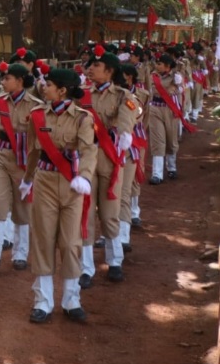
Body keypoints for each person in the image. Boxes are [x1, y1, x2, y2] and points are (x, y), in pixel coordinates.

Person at [19, 68, 96, 323]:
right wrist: (27, 179)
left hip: (72, 184)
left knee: (70, 242)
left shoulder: (83, 118)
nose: (44, 86)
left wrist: (85, 177)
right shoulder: (37, 115)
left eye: (49, 84)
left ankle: (72, 300)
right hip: (45, 182)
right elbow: (33, 151)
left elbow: (89, 150)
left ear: (62, 90)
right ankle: (43, 301)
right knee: (43, 239)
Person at [78, 46, 136, 286]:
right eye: (90, 65)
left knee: (110, 213)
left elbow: (128, 117)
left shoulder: (123, 95)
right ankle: (86, 268)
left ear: (110, 71)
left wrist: (125, 133)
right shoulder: (81, 94)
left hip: (110, 158)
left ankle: (114, 261)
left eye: (96, 65)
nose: (90, 69)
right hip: (86, 158)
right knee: (85, 213)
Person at [0, 63, 44, 270]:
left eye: (7, 78)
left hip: (25, 160)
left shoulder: (36, 105)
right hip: (2, 156)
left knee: (23, 208)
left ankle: (20, 253)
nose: (3, 82)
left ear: (19, 81)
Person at [119, 64, 150, 240]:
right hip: (116, 141)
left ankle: (134, 211)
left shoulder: (141, 95)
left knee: (135, 177)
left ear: (129, 77)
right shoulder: (114, 96)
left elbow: (144, 116)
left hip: (135, 138)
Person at [146, 53, 185, 183]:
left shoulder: (176, 76)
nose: (157, 66)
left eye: (159, 64)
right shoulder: (153, 75)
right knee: (157, 140)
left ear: (167, 66)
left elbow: (179, 91)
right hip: (155, 108)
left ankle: (172, 168)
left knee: (171, 139)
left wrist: (178, 85)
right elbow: (153, 90)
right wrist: (169, 88)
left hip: (170, 110)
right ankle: (157, 174)